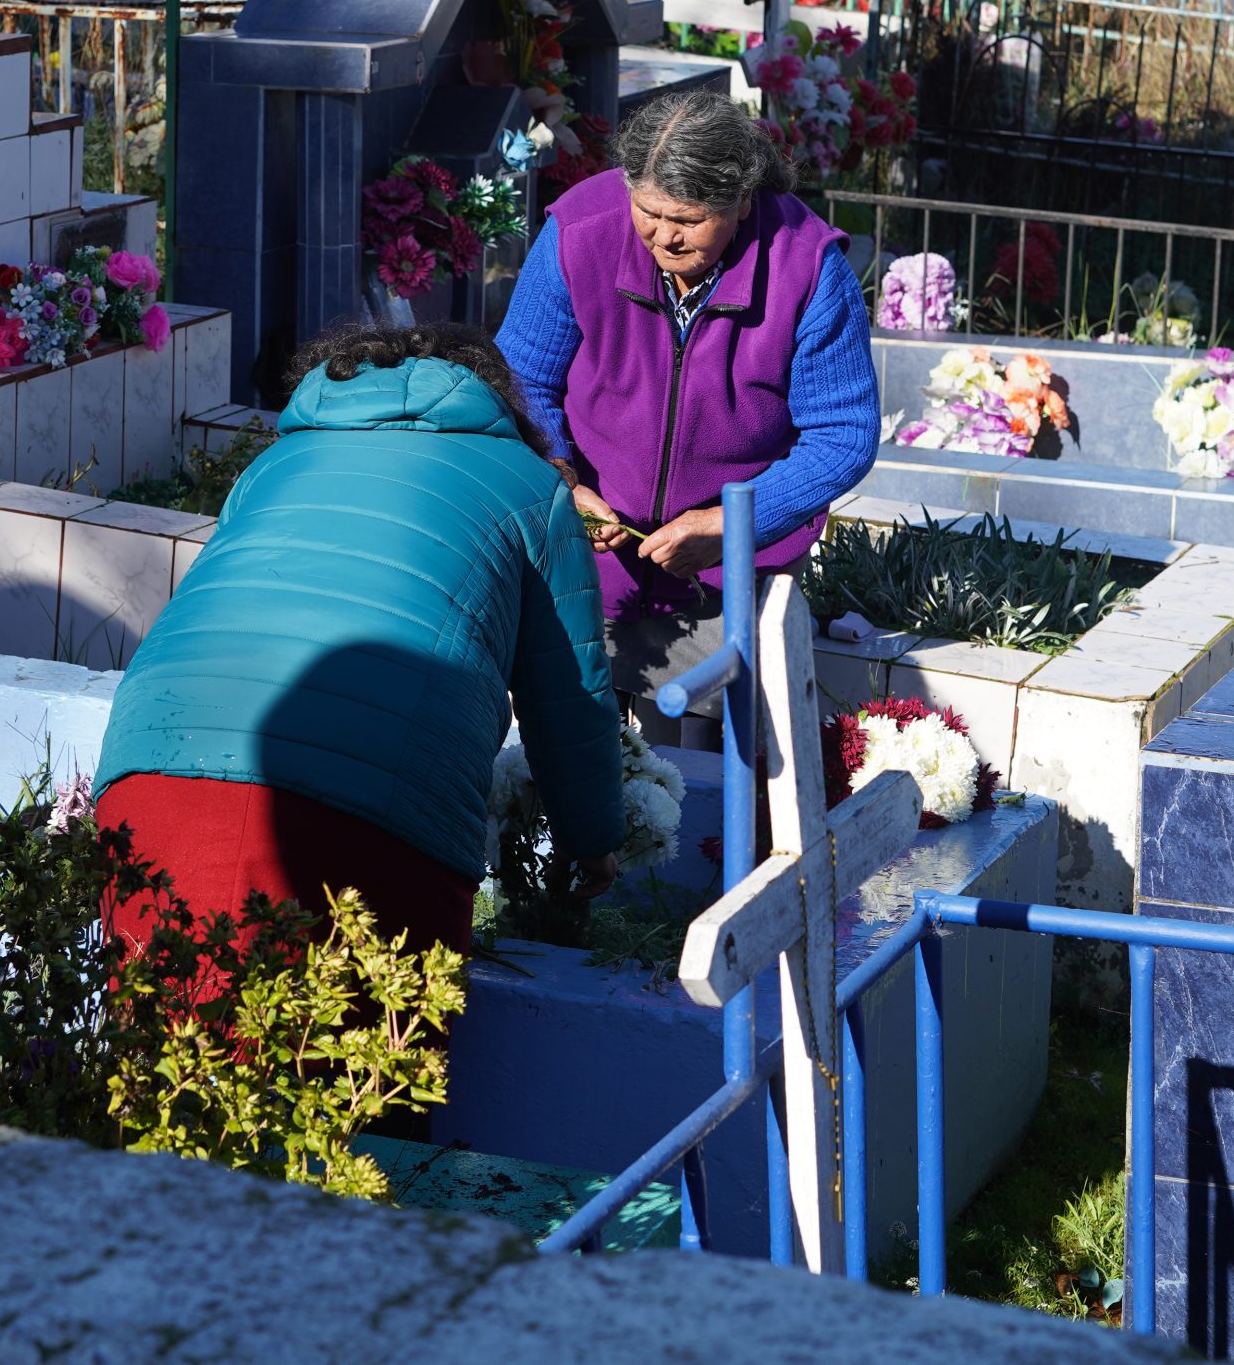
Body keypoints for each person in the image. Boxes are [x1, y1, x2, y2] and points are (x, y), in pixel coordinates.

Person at [93, 323, 625, 960]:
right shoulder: (531, 486)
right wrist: (590, 837)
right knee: (362, 1045)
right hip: (377, 787)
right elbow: (567, 692)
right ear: (490, 397)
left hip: (153, 755)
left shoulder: (274, 465)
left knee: (166, 1039)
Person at [496, 92, 879, 743]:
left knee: (701, 779)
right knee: (559, 758)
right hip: (584, 557)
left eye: (690, 219)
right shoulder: (581, 231)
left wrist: (734, 523)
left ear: (742, 200)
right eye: (647, 211)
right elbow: (520, 377)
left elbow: (843, 434)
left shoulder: (806, 268)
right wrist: (559, 479)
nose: (665, 235)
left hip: (725, 579)